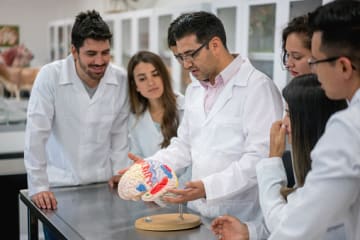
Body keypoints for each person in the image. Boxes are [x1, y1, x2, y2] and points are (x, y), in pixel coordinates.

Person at [116, 11, 283, 239]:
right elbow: (184, 146)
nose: (185, 64)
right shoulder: (196, 89)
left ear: (214, 44)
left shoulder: (257, 88)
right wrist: (150, 168)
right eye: (179, 57)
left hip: (242, 219)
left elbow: (261, 158)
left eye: (190, 54)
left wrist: (208, 187)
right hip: (199, 216)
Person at [211, 74, 347, 240]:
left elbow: (285, 225)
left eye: (289, 114)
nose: (284, 123)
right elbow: (296, 221)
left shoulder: (331, 175)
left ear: (309, 120)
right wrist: (249, 232)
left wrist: (273, 158)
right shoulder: (318, 165)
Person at [268, 1, 360, 239]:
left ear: (343, 66)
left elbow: (298, 227)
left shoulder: (349, 127)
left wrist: (270, 165)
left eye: (315, 62)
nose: (315, 71)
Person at [24, 10, 129, 210]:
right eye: (91, 54)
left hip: (103, 184)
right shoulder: (50, 76)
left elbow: (119, 134)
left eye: (105, 53)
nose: (100, 61)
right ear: (74, 51)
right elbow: (36, 135)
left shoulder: (120, 79)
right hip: (60, 187)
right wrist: (38, 186)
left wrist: (120, 173)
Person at [108, 50, 190, 188]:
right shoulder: (134, 119)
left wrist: (173, 189)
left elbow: (193, 159)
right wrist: (129, 177)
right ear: (136, 86)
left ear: (164, 76)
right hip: (152, 192)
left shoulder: (186, 107)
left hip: (185, 192)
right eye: (142, 78)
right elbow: (137, 158)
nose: (151, 82)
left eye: (155, 74)